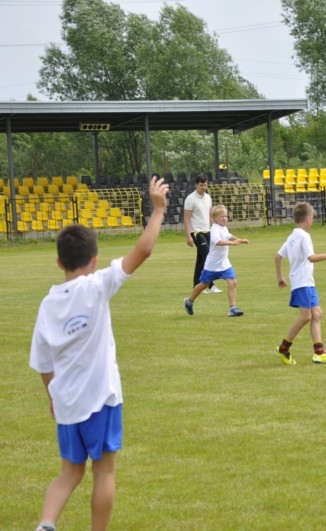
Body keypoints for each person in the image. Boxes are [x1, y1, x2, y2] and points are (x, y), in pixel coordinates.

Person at [29, 177, 169, 531]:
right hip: (101, 398)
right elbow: (143, 251)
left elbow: (43, 364)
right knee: (104, 472)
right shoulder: (97, 285)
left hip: (67, 402)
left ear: (59, 262)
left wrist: (53, 398)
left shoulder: (47, 304)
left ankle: (46, 523)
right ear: (94, 260)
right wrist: (158, 210)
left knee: (69, 472)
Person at [274, 202, 326, 365]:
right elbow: (311, 258)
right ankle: (283, 348)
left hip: (306, 282)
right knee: (306, 316)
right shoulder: (303, 236)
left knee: (317, 314)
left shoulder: (292, 236)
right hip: (302, 282)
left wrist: (280, 277)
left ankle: (319, 353)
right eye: (312, 218)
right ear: (308, 218)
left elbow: (278, 257)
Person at [183, 205, 249, 317]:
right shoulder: (214, 229)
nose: (225, 218)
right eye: (222, 216)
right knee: (204, 284)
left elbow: (228, 235)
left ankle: (232, 308)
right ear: (214, 219)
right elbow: (218, 242)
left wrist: (240, 240)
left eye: (226, 216)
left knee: (232, 282)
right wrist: (233, 243)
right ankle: (189, 301)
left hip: (224, 263)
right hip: (212, 265)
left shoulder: (223, 228)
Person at [184, 173, 220, 294]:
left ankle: (197, 285)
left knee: (200, 259)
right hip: (196, 232)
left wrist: (215, 229)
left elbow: (209, 216)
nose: (203, 187)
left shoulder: (208, 197)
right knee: (208, 256)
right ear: (196, 185)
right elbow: (186, 218)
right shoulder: (190, 199)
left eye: (205, 185)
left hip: (207, 231)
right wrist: (188, 236)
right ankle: (210, 285)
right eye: (201, 185)